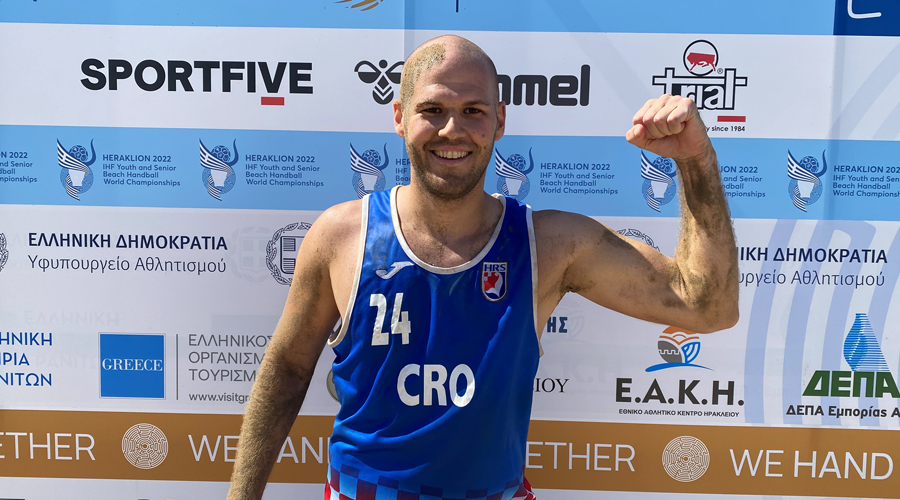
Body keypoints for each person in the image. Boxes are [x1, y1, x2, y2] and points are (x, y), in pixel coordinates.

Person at [227, 35, 738, 500]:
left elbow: (706, 305)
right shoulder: (343, 235)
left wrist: (694, 161)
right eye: (433, 109)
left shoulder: (550, 243)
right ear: (400, 116)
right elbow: (288, 367)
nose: (453, 129)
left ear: (499, 120)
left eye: (473, 110)